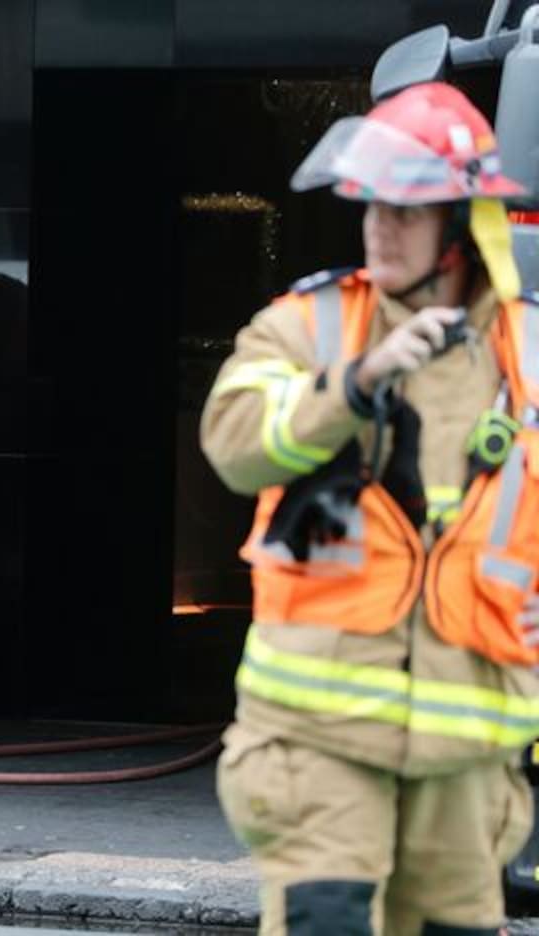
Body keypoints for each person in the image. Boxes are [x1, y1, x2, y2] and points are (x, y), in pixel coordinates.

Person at [201, 81, 539, 934]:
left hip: (470, 738)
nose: (380, 228)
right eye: (371, 208)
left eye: (407, 211)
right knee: (328, 919)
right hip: (318, 735)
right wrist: (354, 385)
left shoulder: (526, 346)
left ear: (461, 227)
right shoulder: (309, 326)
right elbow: (235, 441)